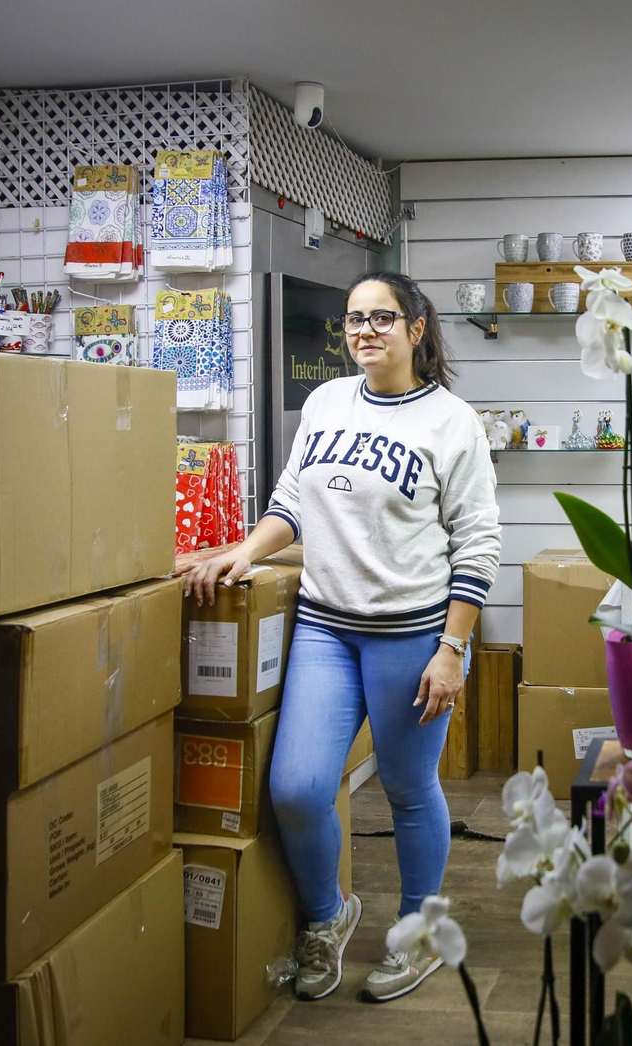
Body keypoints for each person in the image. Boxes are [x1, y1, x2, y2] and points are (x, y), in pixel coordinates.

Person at [183, 271, 500, 1003]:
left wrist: (451, 650)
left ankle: (419, 931)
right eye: (354, 319)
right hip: (327, 626)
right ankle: (329, 917)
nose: (364, 331)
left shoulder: (452, 422)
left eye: (381, 318)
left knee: (407, 790)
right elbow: (291, 500)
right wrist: (244, 551)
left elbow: (478, 544)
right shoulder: (326, 403)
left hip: (414, 633)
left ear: (416, 329)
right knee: (297, 788)